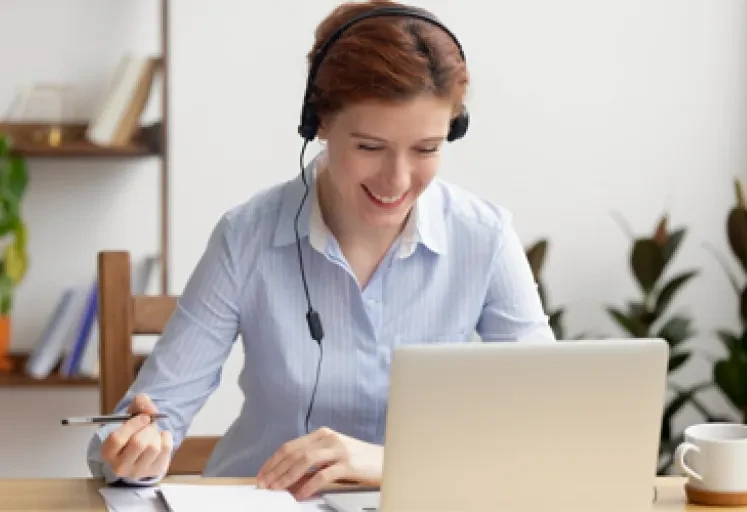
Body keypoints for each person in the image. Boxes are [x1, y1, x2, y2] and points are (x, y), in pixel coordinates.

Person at [86, 0, 555, 501]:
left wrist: (385, 463)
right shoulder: (247, 235)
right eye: (370, 147)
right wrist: (135, 451)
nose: (397, 181)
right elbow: (148, 419)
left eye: (426, 149)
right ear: (320, 124)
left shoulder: (484, 237)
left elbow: (551, 424)